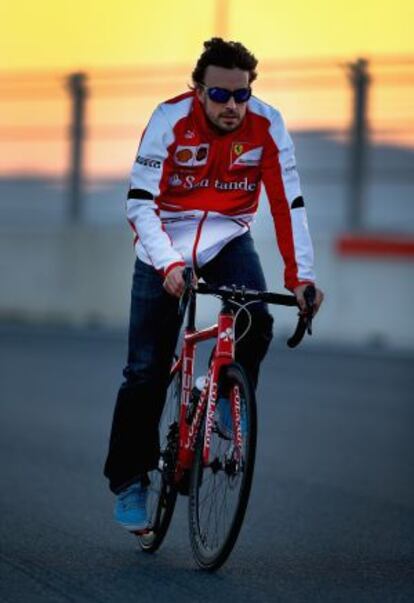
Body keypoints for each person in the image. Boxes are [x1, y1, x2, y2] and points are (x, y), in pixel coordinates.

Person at [104, 38, 324, 532]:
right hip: (164, 238)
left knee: (258, 320)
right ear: (198, 90)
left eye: (240, 96)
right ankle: (130, 480)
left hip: (227, 237)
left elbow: (289, 205)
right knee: (145, 370)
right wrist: (168, 265)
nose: (231, 106)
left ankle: (224, 393)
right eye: (220, 96)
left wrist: (302, 278)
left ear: (251, 92)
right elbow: (139, 204)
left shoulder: (269, 125)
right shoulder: (167, 120)